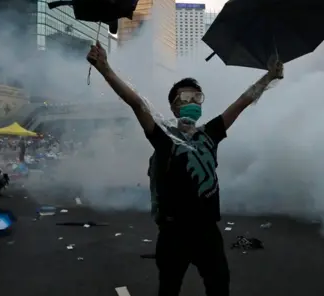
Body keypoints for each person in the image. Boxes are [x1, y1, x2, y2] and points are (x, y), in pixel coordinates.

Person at [86, 41, 283, 296]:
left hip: (207, 231)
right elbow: (136, 103)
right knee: (169, 288)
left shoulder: (210, 134)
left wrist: (268, 77)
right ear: (173, 105)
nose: (193, 101)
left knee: (219, 286)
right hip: (173, 232)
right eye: (186, 97)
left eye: (197, 97)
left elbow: (242, 102)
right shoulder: (163, 137)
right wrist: (106, 70)